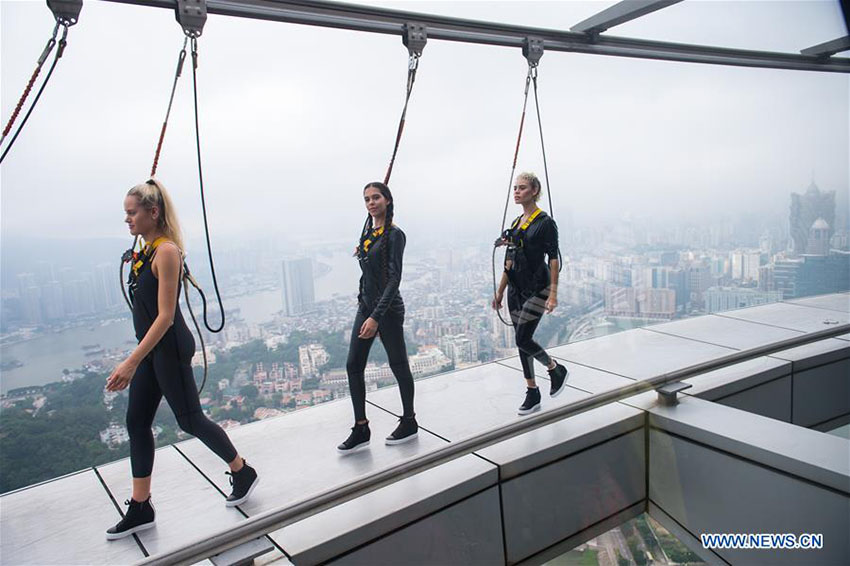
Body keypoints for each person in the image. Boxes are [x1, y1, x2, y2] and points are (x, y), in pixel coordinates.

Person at [105, 179, 259, 540]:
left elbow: (165, 317)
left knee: (189, 419)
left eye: (132, 212)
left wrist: (130, 362)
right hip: (151, 349)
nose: (127, 220)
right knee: (136, 422)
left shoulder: (167, 252)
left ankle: (241, 470)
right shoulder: (145, 251)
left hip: (168, 347)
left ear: (152, 213)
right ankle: (141, 506)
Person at [338, 182, 418, 454]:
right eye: (367, 199)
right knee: (353, 365)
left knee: (398, 364)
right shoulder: (370, 234)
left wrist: (375, 317)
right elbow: (369, 273)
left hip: (388, 310)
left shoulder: (395, 235)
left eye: (376, 198)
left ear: (387, 200)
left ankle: (409, 421)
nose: (371, 203)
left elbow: (394, 279)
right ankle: (361, 427)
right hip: (367, 306)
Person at [492, 172, 569, 415]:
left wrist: (553, 294)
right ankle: (532, 390)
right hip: (515, 289)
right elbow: (509, 261)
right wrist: (500, 291)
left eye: (522, 188)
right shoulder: (516, 224)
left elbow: (554, 258)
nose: (517, 191)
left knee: (523, 338)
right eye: (515, 187)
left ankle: (554, 368)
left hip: (539, 288)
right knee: (521, 341)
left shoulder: (545, 223)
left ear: (534, 190)